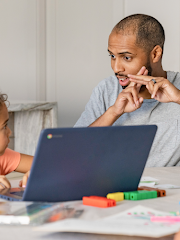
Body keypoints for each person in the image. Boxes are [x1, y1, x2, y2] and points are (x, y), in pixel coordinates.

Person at [74, 14, 180, 167]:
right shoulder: (106, 90)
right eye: (112, 56)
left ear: (155, 54)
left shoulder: (178, 88)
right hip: (115, 189)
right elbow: (74, 151)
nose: (116, 68)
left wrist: (178, 98)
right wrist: (113, 112)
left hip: (171, 190)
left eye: (127, 58)